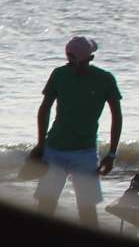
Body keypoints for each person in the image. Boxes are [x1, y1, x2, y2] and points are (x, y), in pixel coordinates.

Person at [29, 36, 122, 229]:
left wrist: (112, 154)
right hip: (54, 149)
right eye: (68, 57)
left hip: (85, 152)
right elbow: (44, 108)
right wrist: (40, 144)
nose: (69, 62)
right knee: (46, 206)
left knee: (87, 210)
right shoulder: (59, 74)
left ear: (89, 59)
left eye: (73, 58)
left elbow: (117, 117)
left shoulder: (105, 79)